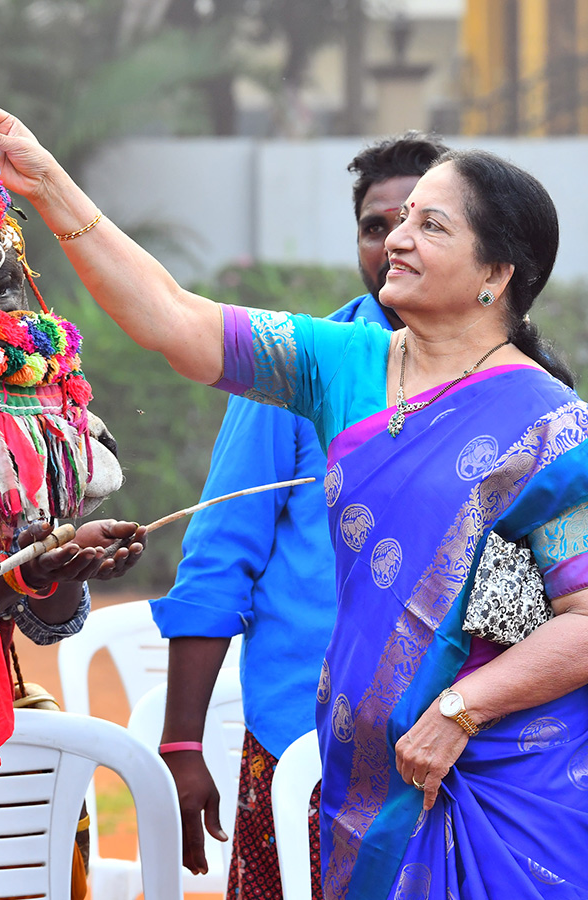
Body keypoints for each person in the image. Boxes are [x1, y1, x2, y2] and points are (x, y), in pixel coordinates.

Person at [0, 105, 588, 900]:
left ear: (497, 275)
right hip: (370, 773)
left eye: (432, 226)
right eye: (399, 220)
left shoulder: (548, 426)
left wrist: (459, 710)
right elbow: (173, 318)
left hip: (514, 789)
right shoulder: (340, 364)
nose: (399, 240)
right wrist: (48, 185)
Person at [150, 132, 447, 898]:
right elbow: (219, 560)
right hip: (304, 747)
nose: (394, 244)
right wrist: (183, 743)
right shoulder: (296, 368)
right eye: (376, 226)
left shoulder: (514, 382)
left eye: (424, 224)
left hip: (457, 748)